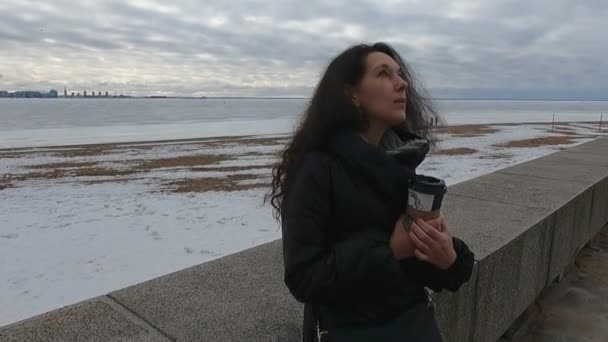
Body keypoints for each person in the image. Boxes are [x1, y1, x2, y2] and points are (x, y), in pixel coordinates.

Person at [266, 42, 475, 341]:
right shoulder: (317, 167)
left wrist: (448, 258)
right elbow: (304, 277)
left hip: (415, 326)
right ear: (351, 93)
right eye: (383, 73)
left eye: (399, 74)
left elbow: (408, 263)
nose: (402, 83)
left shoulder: (399, 160)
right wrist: (389, 251)